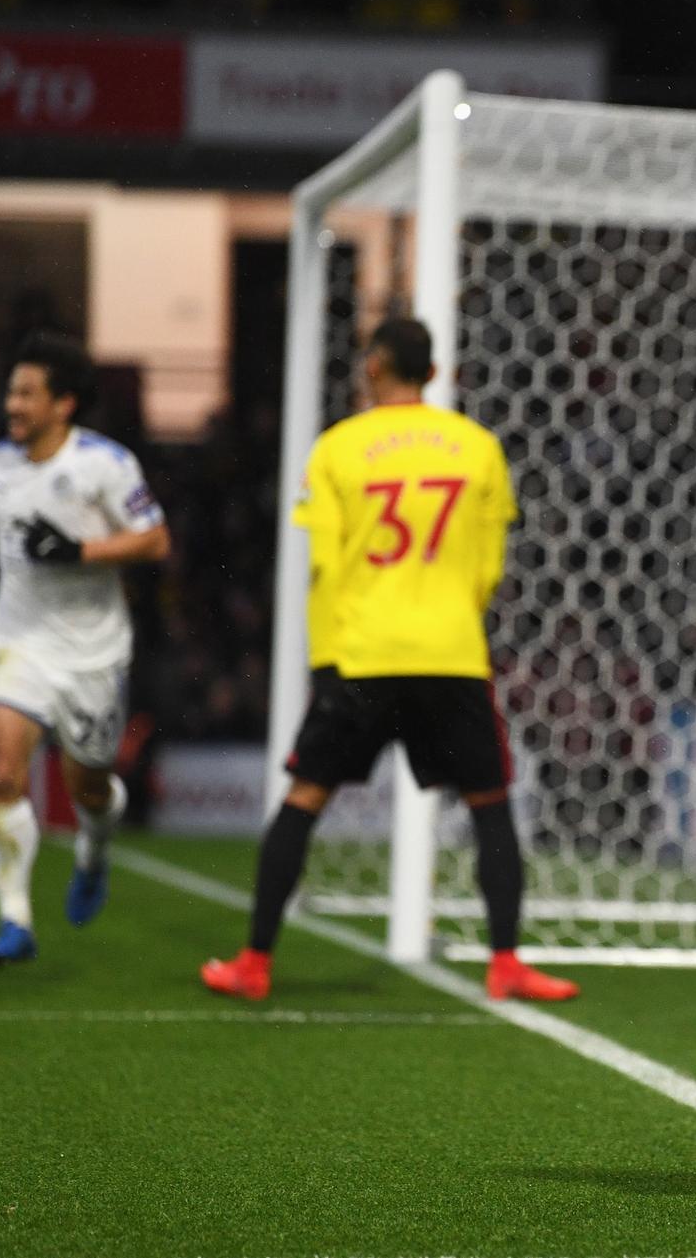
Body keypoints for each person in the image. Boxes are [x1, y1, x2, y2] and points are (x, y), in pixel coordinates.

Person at [201, 317, 577, 1004]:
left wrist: (326, 661)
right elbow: (489, 568)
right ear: (433, 373)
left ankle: (254, 961)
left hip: (364, 653)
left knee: (305, 798)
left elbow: (323, 567)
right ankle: (505, 961)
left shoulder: (338, 448)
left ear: (373, 366)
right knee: (489, 805)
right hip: (450, 652)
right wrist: (447, 613)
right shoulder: (477, 446)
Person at [0, 331, 171, 964]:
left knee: (89, 789)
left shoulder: (106, 464)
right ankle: (14, 920)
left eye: (26, 394)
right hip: (18, 639)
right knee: (2, 771)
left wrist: (82, 551)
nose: (12, 405)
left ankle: (95, 849)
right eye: (11, 392)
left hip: (92, 653)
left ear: (63, 403)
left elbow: (155, 541)